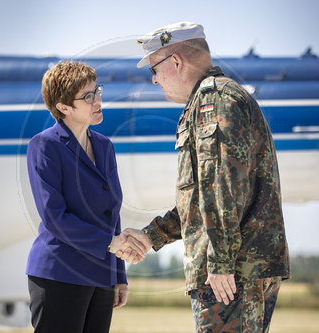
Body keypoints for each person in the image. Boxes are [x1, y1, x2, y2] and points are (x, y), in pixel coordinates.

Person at [117, 22, 291, 332]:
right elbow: (200, 198)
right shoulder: (213, 99)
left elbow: (221, 188)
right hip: (242, 267)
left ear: (176, 62)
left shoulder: (214, 101)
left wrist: (220, 263)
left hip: (231, 272)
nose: (154, 80)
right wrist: (151, 235)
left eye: (153, 70)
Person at [26, 61, 145, 333]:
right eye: (88, 96)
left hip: (101, 277)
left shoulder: (104, 146)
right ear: (63, 107)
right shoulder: (44, 146)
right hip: (58, 273)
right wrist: (110, 244)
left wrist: (118, 275)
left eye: (97, 91)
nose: (98, 100)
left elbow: (111, 213)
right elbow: (55, 217)